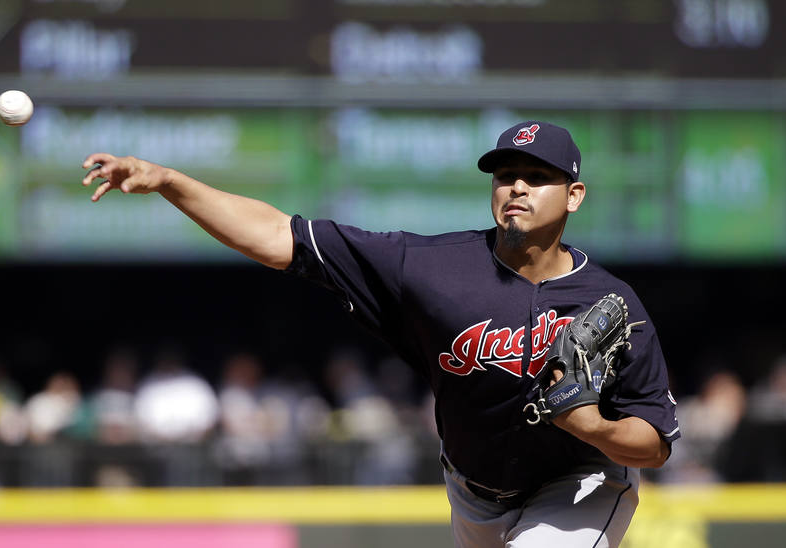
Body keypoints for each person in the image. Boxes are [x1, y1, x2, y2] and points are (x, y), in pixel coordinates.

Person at [81, 120, 680, 548]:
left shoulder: (613, 303)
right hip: (473, 489)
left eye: (537, 176)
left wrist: (594, 427)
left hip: (579, 484)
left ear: (573, 195)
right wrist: (169, 182)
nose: (516, 186)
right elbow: (278, 237)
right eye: (505, 174)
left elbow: (654, 442)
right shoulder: (429, 268)